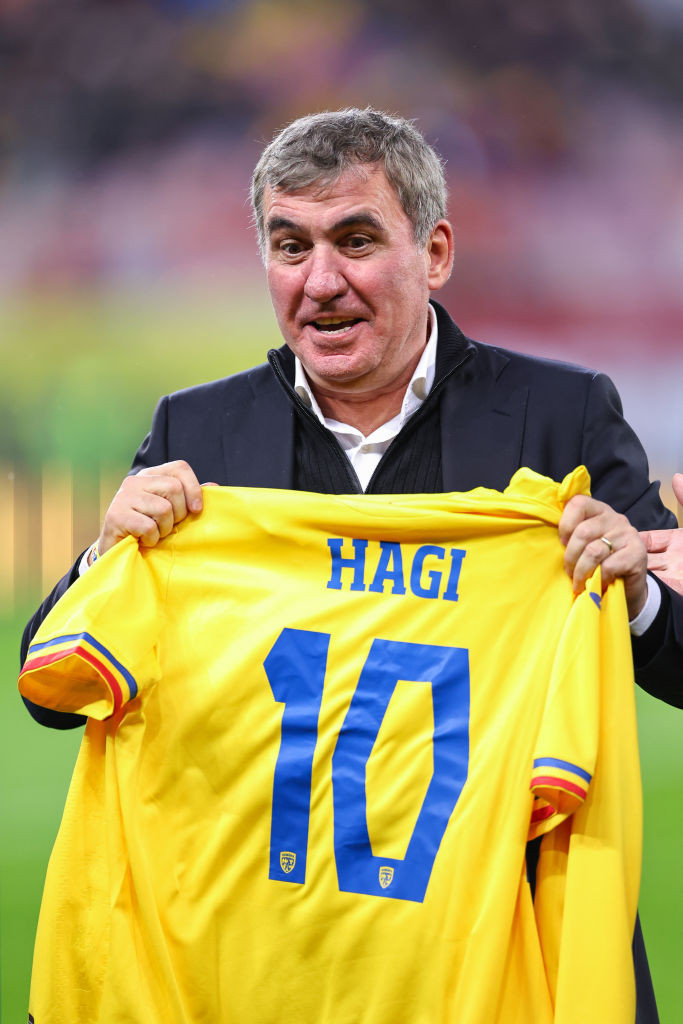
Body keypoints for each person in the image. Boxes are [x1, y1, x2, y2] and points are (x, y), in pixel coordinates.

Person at [20, 108, 683, 1020]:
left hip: (496, 969)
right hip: (269, 975)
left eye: (356, 241)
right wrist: (105, 554)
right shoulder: (199, 433)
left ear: (435, 253)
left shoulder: (559, 417)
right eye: (290, 246)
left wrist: (637, 592)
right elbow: (49, 692)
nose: (320, 281)